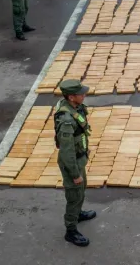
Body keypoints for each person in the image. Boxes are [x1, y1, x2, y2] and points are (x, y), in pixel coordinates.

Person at [55, 79, 96, 247]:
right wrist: (74, 174)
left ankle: (78, 214)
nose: (84, 95)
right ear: (71, 97)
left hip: (79, 158)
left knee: (81, 189)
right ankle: (70, 230)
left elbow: (80, 134)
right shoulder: (66, 120)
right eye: (81, 94)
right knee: (74, 196)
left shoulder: (74, 107)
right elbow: (66, 151)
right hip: (72, 163)